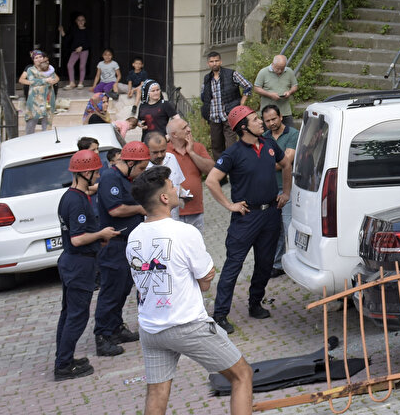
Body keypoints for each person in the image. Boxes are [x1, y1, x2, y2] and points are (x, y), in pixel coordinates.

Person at [126, 166, 254, 415]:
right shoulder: (185, 232)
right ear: (164, 198)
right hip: (186, 324)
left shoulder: (133, 237)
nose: (176, 189)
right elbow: (206, 280)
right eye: (172, 186)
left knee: (157, 391)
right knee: (241, 375)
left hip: (151, 327)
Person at [204, 105, 293, 333]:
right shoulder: (232, 153)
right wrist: (229, 205)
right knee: (233, 266)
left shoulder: (269, 144)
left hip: (270, 214)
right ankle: (220, 315)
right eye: (255, 119)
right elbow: (212, 181)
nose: (260, 122)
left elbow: (285, 165)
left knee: (264, 264)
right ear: (244, 127)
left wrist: (286, 193)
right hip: (246, 217)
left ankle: (255, 304)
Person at [54, 146, 120, 381]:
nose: (98, 175)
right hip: (79, 264)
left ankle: (65, 358)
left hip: (73, 261)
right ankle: (63, 365)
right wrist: (101, 233)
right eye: (95, 171)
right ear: (84, 174)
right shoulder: (77, 201)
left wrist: (97, 239)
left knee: (68, 313)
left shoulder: (70, 196)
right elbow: (78, 238)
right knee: (77, 316)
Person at [94, 140, 149, 356]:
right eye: (141, 168)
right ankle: (103, 335)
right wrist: (142, 209)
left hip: (128, 243)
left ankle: (115, 328)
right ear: (130, 162)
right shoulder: (110, 178)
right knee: (111, 290)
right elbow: (116, 209)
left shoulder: (125, 178)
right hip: (115, 244)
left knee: (123, 288)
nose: (141, 173)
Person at [262, 105, 299, 276]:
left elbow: (288, 159)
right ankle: (277, 264)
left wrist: (265, 166)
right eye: (267, 120)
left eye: (273, 119)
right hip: (269, 190)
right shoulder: (263, 138)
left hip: (288, 188)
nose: (271, 123)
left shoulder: (292, 134)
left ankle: (296, 263)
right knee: (274, 228)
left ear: (281, 117)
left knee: (289, 226)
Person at [166, 115, 214, 233]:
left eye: (188, 126)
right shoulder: (164, 152)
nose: (189, 129)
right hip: (172, 213)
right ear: (174, 135)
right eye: (184, 128)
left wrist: (191, 152)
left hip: (195, 210)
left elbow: (211, 170)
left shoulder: (197, 147)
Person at [201, 52, 253, 160]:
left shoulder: (231, 74)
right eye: (211, 61)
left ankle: (234, 169)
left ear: (220, 61)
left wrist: (242, 103)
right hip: (214, 117)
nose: (214, 63)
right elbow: (203, 96)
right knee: (216, 147)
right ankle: (221, 171)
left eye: (216, 61)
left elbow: (247, 86)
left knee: (231, 145)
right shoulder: (207, 78)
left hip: (229, 115)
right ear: (208, 63)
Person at [145, 132, 187, 220]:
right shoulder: (142, 168)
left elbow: (177, 183)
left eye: (163, 151)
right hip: (155, 221)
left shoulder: (171, 158)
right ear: (147, 149)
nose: (160, 155)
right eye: (155, 152)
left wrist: (185, 194)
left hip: (175, 218)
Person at [253, 54, 299, 129]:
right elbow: (256, 88)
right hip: (268, 113)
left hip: (285, 111)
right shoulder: (263, 72)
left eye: (282, 68)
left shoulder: (289, 71)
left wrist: (289, 92)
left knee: (290, 133)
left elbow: (295, 86)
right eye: (278, 68)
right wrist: (270, 95)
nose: (280, 71)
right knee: (268, 136)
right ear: (273, 64)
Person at [20, 49, 60, 133]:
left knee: (47, 123)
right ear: (33, 60)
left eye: (40, 57)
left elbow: (56, 78)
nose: (39, 59)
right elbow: (31, 80)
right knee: (31, 122)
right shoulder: (31, 70)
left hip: (48, 98)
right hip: (35, 100)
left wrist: (53, 81)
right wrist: (45, 81)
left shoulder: (49, 69)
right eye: (36, 58)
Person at [60, 13, 92, 89]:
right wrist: (61, 31)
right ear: (76, 21)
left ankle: (81, 83)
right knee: (69, 65)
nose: (80, 22)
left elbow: (90, 42)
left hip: (84, 51)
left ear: (85, 21)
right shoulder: (74, 30)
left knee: (82, 66)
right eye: (79, 20)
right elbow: (67, 38)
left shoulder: (88, 30)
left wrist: (82, 47)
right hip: (75, 51)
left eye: (82, 20)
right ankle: (72, 82)